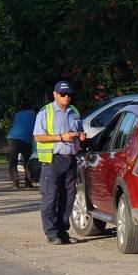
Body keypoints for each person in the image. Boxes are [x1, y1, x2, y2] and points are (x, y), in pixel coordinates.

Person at [33, 81, 86, 244]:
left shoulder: (74, 111)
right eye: (63, 94)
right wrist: (61, 137)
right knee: (50, 197)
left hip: (70, 160)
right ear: (55, 95)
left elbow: (79, 131)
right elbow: (38, 137)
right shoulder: (46, 112)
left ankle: (63, 232)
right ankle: (51, 234)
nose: (67, 97)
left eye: (69, 94)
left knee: (68, 198)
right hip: (53, 161)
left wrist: (81, 135)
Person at [6, 100, 37, 189]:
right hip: (26, 140)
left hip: (12, 138)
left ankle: (15, 182)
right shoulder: (33, 114)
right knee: (27, 161)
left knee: (13, 161)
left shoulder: (17, 114)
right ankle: (28, 181)